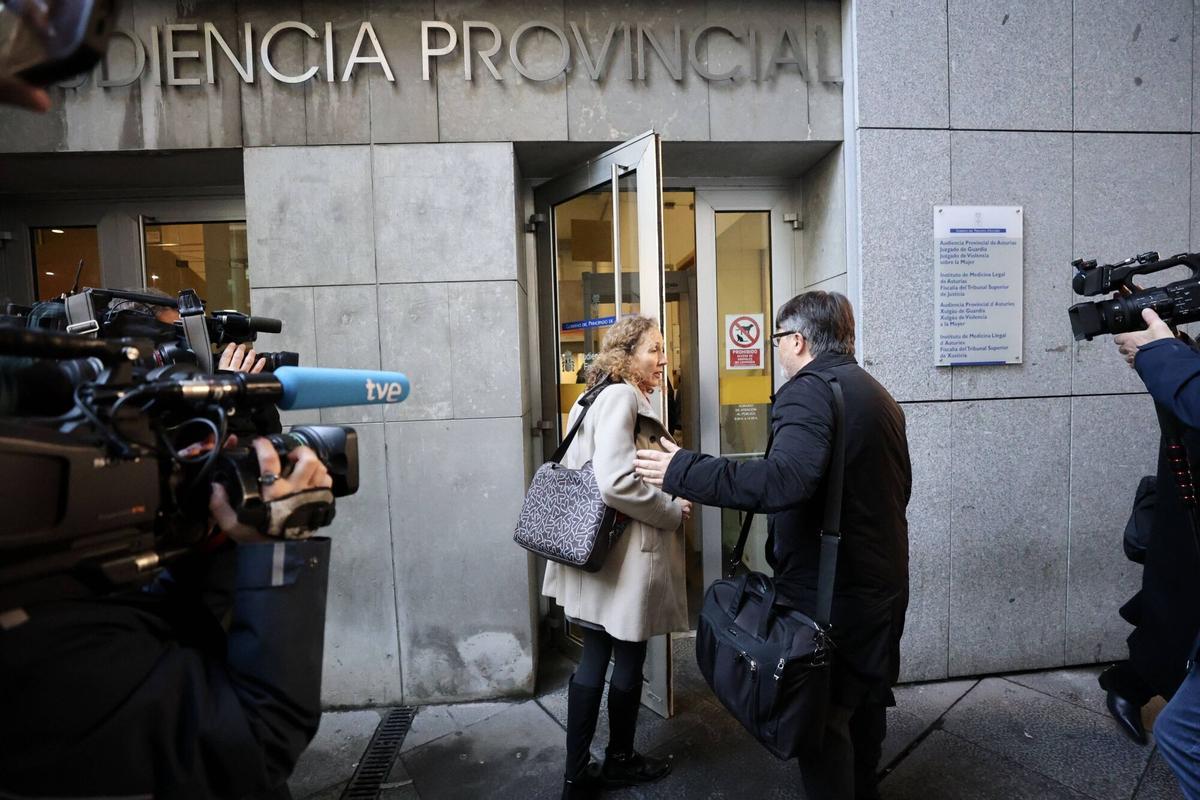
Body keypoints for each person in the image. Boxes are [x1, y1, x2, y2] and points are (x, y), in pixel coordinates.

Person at [634, 291, 911, 800]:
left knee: (824, 722)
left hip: (834, 593)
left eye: (778, 339)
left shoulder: (808, 391)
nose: (776, 349)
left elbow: (784, 481)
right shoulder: (875, 392)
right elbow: (899, 490)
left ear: (798, 340)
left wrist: (683, 469)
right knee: (864, 704)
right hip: (881, 584)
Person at [0, 437, 336, 799]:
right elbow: (261, 737)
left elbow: (160, 636)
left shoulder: (41, 592)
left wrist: (213, 534)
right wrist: (276, 549)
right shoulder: (29, 651)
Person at [542, 313, 692, 799]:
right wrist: (669, 510)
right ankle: (620, 762)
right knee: (628, 657)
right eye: (654, 348)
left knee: (594, 659)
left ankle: (574, 774)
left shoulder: (588, 398)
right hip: (625, 553)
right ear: (627, 356)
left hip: (592, 552)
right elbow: (614, 482)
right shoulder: (624, 397)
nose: (662, 358)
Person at [1114, 308, 1200, 798]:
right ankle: (1129, 685)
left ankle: (1130, 685)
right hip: (1182, 523)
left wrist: (1160, 353)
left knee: (1182, 733)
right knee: (1168, 614)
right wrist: (1170, 347)